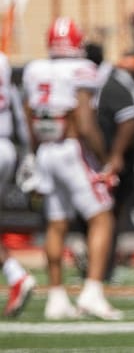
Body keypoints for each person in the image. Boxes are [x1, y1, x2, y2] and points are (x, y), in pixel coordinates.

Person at [20, 17, 122, 320]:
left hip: (45, 149)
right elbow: (87, 122)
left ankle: (55, 296)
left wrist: (31, 153)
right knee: (102, 216)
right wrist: (103, 159)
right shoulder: (83, 70)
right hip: (71, 147)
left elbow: (28, 112)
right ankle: (92, 291)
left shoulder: (34, 69)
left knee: (56, 223)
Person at [83, 42, 134, 282]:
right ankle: (97, 267)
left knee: (107, 213)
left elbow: (130, 119)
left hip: (114, 158)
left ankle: (104, 269)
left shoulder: (112, 84)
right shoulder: (105, 80)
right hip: (98, 156)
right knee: (96, 215)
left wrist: (115, 155)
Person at [0, 50, 37, 318]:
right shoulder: (2, 60)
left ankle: (17, 276)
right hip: (6, 147)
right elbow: (14, 101)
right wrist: (26, 152)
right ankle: (16, 277)